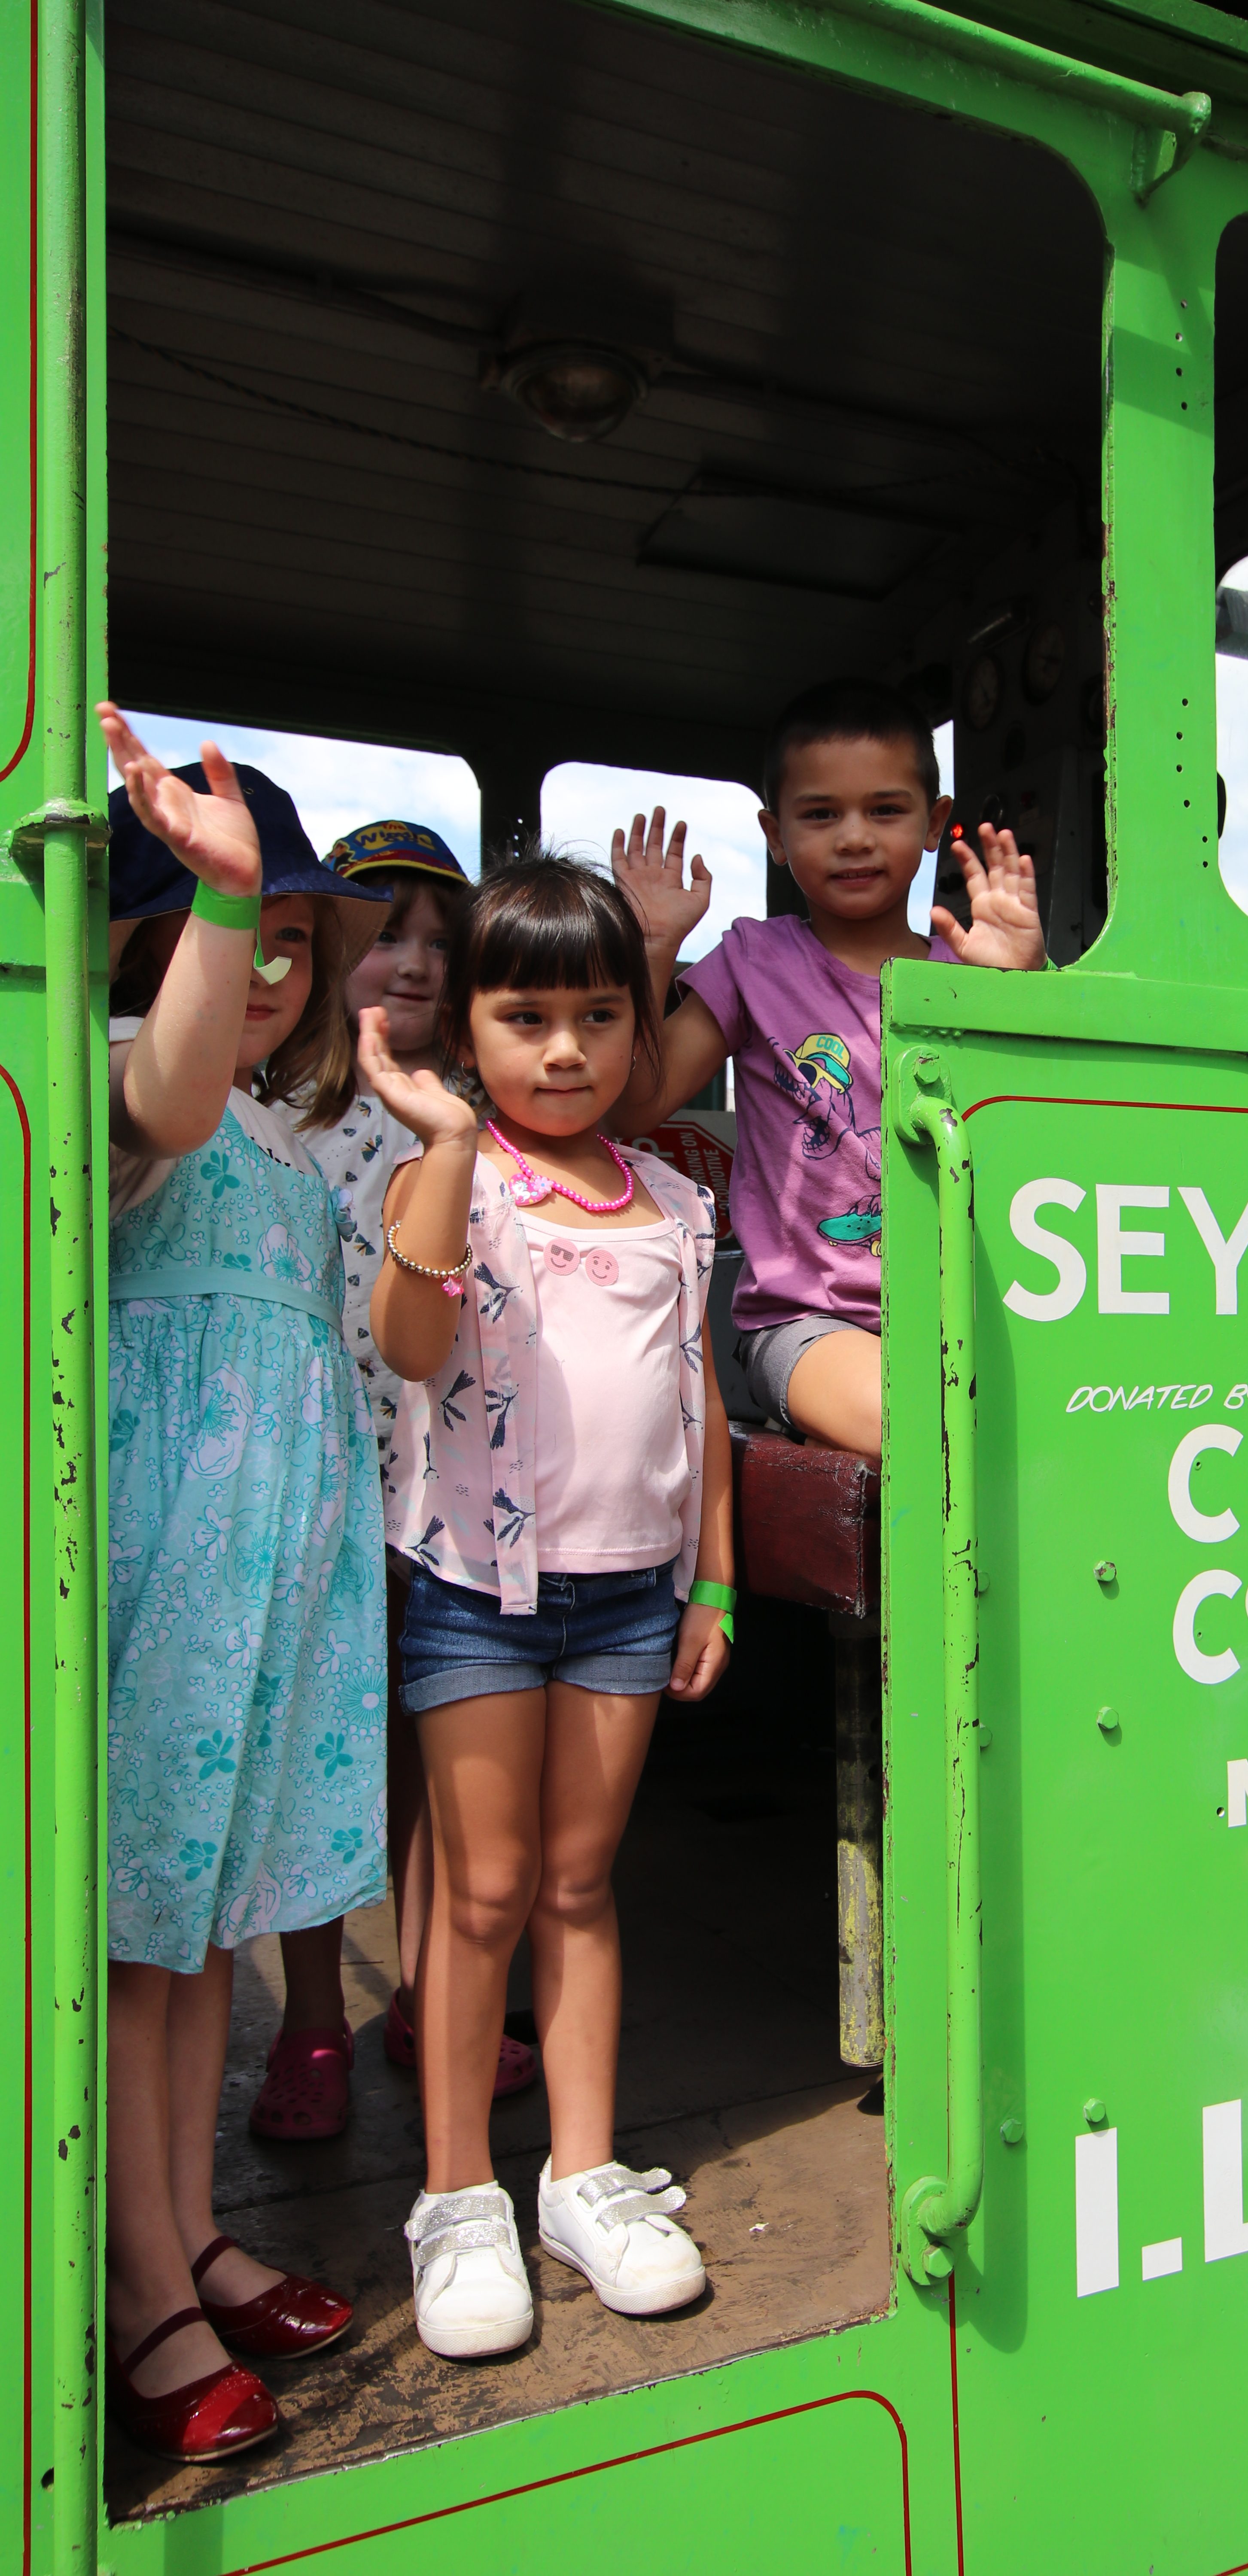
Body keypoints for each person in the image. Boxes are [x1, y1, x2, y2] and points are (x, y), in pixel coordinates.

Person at [358, 855, 735, 2360]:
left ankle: (582, 2177)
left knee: (581, 1887)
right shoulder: (453, 1173)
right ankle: (459, 2200)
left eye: (599, 1016)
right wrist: (446, 1139)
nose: (566, 1049)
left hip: (629, 1601)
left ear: (641, 1034)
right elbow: (408, 1341)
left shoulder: (671, 1203)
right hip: (476, 1596)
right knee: (486, 1894)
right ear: (471, 1033)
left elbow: (700, 1402)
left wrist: (715, 1576)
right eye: (526, 1017)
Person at [100, 710, 391, 2464]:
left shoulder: (298, 1141)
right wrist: (216, 922)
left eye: (291, 935)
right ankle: (142, 2288)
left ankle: (196, 2226)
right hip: (165, 1562)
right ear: (148, 934)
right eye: (229, 927)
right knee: (140, 1935)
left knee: (202, 1927)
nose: (268, 964)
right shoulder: (139, 1070)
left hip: (272, 1568)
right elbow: (169, 1088)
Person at [248, 823, 538, 2140]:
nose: (412, 964)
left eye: (440, 940)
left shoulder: (488, 1116)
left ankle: (434, 2000)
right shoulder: (279, 1113)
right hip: (319, 1484)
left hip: (456, 1491)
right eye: (383, 938)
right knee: (324, 1765)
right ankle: (312, 2018)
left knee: (434, 1766)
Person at [609, 677, 1045, 1463]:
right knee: (923, 1423)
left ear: (932, 822)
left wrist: (1022, 991)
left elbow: (1051, 1137)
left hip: (980, 1311)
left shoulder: (974, 968)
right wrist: (651, 949)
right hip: (808, 1322)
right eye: (820, 815)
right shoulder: (753, 961)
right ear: (775, 834)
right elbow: (635, 1106)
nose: (853, 837)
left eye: (885, 810)